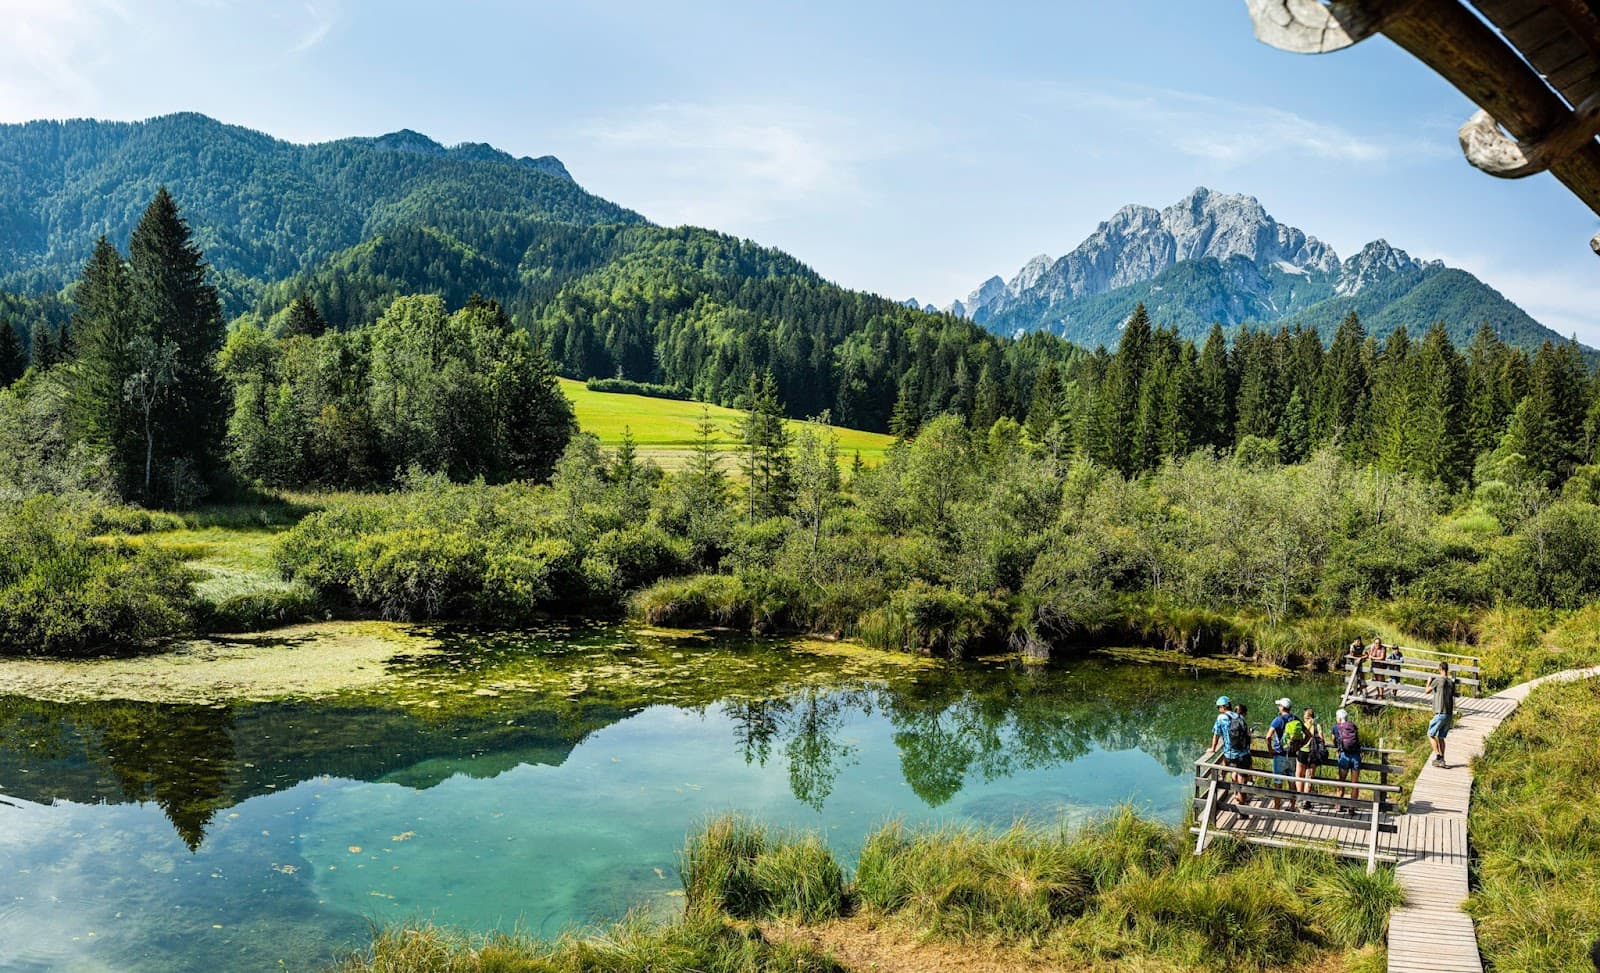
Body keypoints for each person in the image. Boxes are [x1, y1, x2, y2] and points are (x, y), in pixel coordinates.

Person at [1265, 697, 1294, 809]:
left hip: (1279, 755)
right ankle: (1293, 806)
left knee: (1278, 782)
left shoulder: (1278, 720)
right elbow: (1308, 735)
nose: (1278, 707)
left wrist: (1270, 749)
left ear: (1282, 707)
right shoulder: (1295, 719)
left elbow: (1268, 736)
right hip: (1292, 755)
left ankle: (1276, 808)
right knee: (1292, 782)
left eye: (1279, 705)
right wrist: (1299, 746)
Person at [1426, 661, 1456, 767]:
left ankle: (1438, 757)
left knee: (1430, 734)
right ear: (1447, 670)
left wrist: (1429, 681)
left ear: (1440, 669)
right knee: (1441, 737)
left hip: (1440, 713)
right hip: (1449, 714)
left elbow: (1427, 691)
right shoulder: (1451, 682)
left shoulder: (1438, 680)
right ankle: (1442, 760)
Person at [1296, 707, 1325, 807]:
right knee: (1309, 777)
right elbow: (1321, 739)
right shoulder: (1317, 726)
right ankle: (1306, 800)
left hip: (1303, 752)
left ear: (1306, 717)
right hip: (1313, 753)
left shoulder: (1303, 725)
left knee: (1299, 776)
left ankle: (1300, 799)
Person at [1332, 708, 1362, 802]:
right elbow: (1357, 739)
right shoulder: (1352, 726)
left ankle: (1339, 804)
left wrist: (1337, 746)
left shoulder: (1336, 727)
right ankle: (1352, 807)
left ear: (1339, 718)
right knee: (1355, 783)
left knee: (1341, 781)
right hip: (1355, 756)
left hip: (1344, 755)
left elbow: (1333, 739)